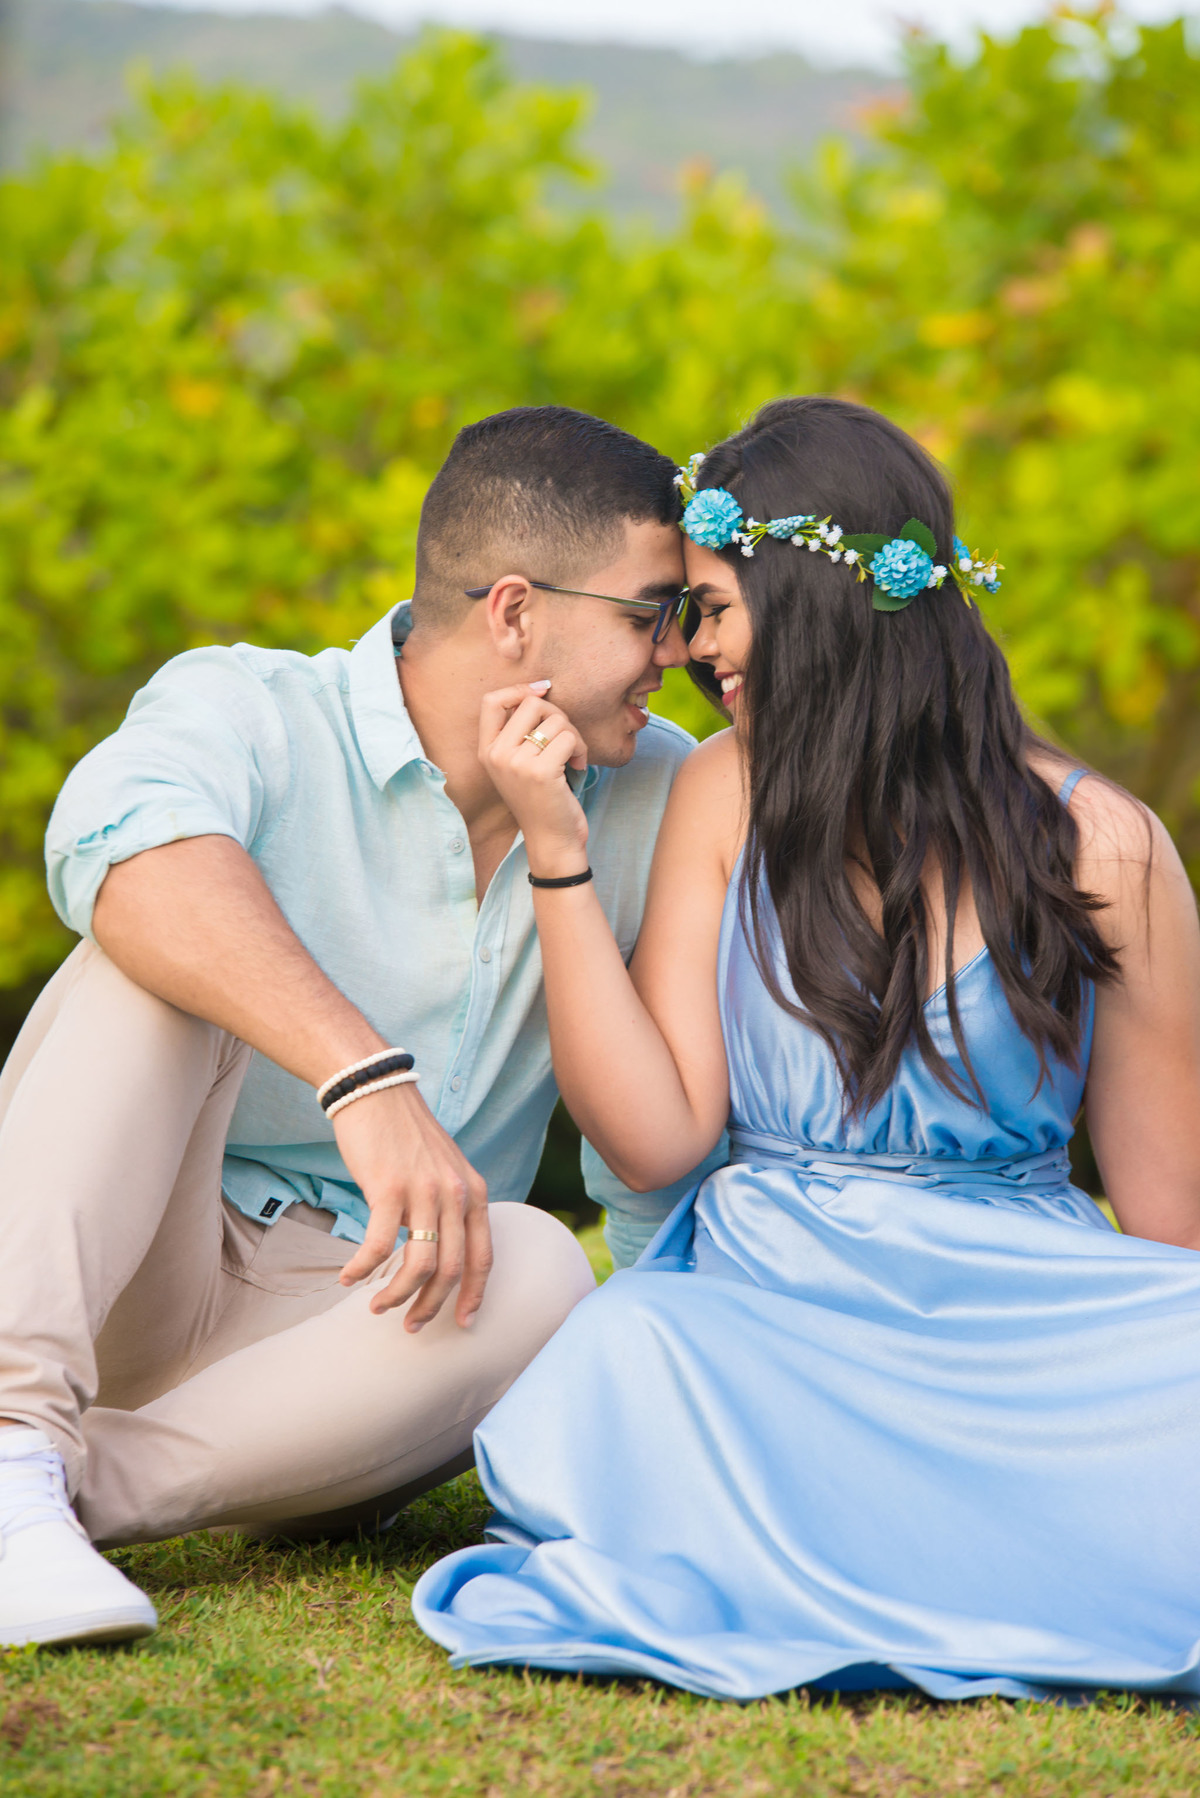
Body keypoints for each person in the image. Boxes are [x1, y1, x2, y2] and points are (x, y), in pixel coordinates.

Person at [414, 395, 1200, 1703]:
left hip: (1014, 1329)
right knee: (636, 1342)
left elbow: (1172, 1225)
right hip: (772, 1318)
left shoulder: (1105, 843)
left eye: (712, 607)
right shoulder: (723, 793)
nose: (689, 647)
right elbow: (656, 1134)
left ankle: (1008, 1532)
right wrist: (557, 850)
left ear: (818, 599)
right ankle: (932, 1546)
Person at [0, 404, 717, 1650]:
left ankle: (72, 1493)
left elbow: (645, 1147)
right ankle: (12, 1433)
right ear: (514, 612)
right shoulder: (254, 706)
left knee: (545, 1259)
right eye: (651, 615)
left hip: (368, 1347)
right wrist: (365, 1079)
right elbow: (110, 846)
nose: (678, 653)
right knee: (155, 928)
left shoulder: (656, 784)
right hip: (135, 1272)